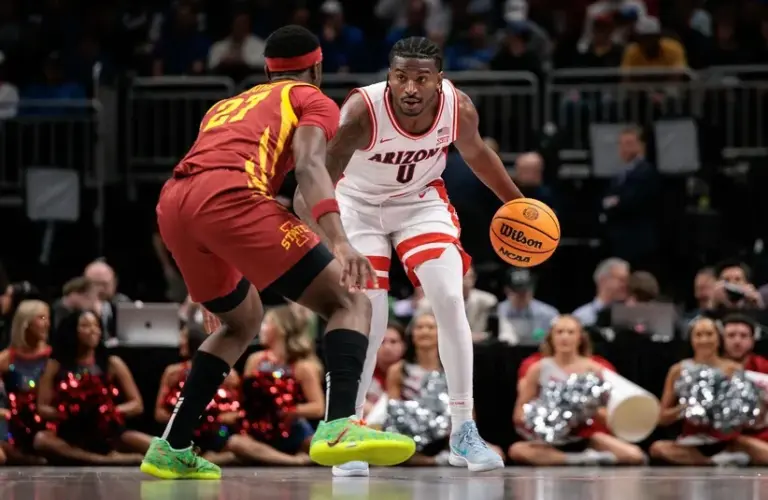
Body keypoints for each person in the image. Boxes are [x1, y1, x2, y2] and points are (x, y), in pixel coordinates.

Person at [142, 25, 415, 480]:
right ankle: (342, 426)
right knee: (350, 301)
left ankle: (172, 445)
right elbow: (309, 166)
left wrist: (213, 282)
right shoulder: (312, 99)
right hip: (231, 199)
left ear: (267, 71)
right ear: (318, 67)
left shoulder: (225, 105)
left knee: (240, 320)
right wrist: (341, 241)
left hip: (174, 203)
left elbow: (211, 178)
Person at [294, 36, 523, 476]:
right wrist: (328, 240)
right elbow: (314, 180)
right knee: (370, 316)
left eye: (421, 78)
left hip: (420, 202)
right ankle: (347, 429)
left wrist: (518, 203)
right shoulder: (362, 112)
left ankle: (463, 431)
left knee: (450, 298)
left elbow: (477, 155)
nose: (410, 88)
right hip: (356, 205)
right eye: (400, 77)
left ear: (439, 79)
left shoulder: (460, 108)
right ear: (389, 77)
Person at [509, 315, 645, 466]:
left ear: (580, 337)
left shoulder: (596, 369)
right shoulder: (538, 368)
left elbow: (612, 412)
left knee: (634, 455)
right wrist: (543, 417)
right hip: (549, 440)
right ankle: (583, 460)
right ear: (551, 337)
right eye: (559, 332)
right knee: (517, 450)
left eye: (570, 332)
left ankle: (585, 456)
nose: (564, 337)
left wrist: (586, 411)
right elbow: (519, 413)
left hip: (586, 436)